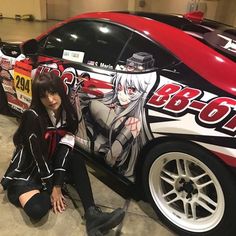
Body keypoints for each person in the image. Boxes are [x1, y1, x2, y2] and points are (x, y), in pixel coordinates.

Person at [0, 71, 125, 236]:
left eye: (53, 92)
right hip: (30, 168)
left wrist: (57, 185)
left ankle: (92, 215)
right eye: (44, 96)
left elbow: (64, 150)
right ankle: (43, 191)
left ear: (61, 91)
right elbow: (38, 157)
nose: (50, 99)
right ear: (38, 98)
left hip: (52, 162)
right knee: (37, 210)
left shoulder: (70, 115)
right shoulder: (33, 117)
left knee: (76, 158)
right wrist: (53, 187)